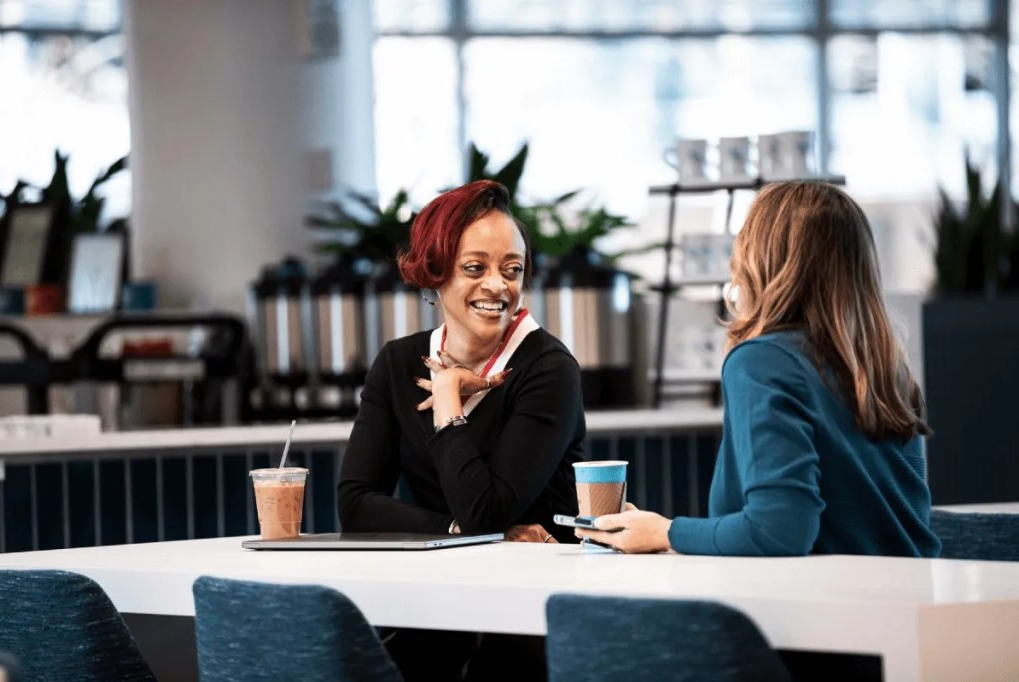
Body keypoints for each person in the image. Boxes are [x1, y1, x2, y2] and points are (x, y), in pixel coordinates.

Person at [582, 181, 941, 559]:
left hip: (829, 611)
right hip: (911, 605)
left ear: (758, 262)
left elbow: (779, 531)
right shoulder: (886, 370)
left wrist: (666, 532)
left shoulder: (762, 362)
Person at [338, 179, 584, 680]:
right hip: (436, 608)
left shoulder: (548, 369)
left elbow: (486, 510)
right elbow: (356, 503)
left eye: (511, 270)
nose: (498, 285)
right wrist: (454, 533)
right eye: (476, 268)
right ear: (436, 273)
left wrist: (447, 401)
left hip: (535, 619)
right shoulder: (397, 362)